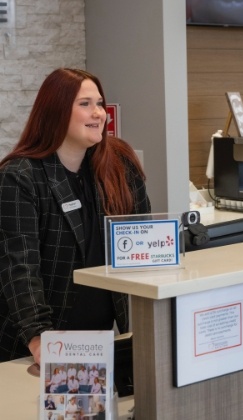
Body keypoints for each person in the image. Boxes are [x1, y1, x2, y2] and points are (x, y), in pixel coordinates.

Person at [0, 68, 151, 364]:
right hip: (37, 348)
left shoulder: (120, 164)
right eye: (85, 104)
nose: (98, 113)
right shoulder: (20, 177)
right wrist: (39, 337)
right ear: (55, 111)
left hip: (107, 337)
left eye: (99, 103)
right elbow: (19, 266)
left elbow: (144, 244)